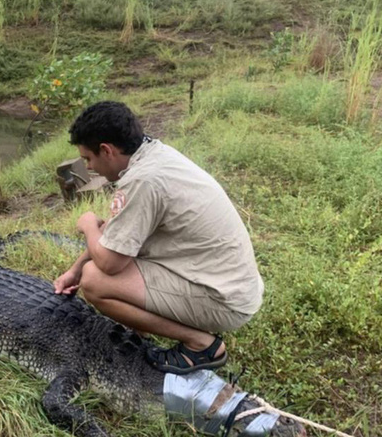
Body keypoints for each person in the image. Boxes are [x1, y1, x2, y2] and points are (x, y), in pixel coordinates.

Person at [53, 101, 263, 374]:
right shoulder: (153, 154)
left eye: (88, 160)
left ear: (107, 150)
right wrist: (73, 270)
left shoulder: (143, 180)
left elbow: (110, 263)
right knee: (89, 271)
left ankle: (202, 345)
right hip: (228, 281)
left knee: (94, 280)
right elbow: (117, 235)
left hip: (225, 298)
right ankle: (142, 330)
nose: (90, 167)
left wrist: (88, 225)